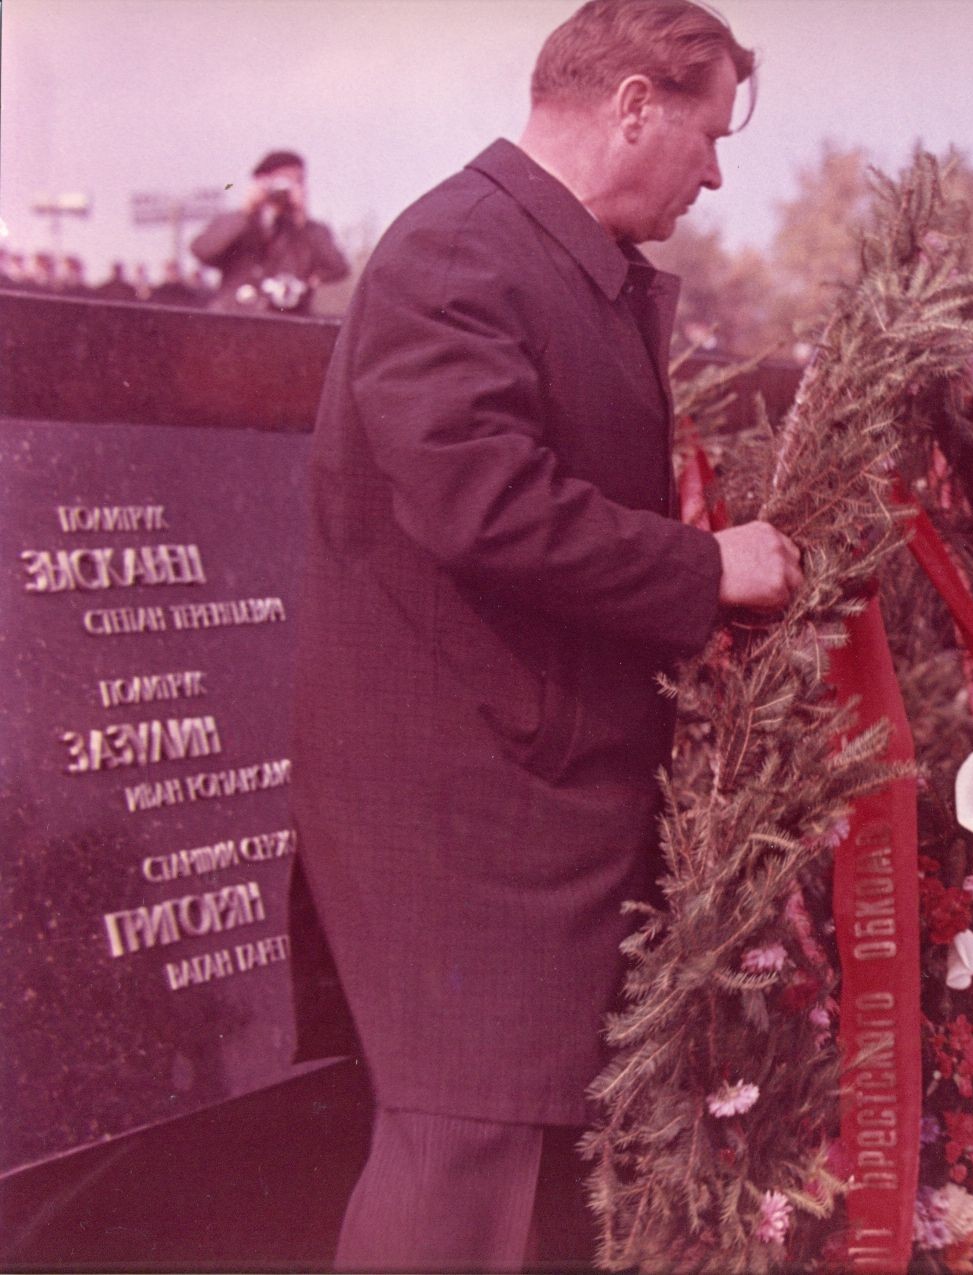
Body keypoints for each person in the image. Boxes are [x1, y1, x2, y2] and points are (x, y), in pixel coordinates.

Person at [288, 1, 800, 1269]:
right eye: (707, 131)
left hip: (520, 788)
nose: (718, 169)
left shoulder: (534, 253)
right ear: (632, 104)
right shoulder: (457, 253)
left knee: (502, 1160)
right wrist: (704, 569)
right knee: (463, 1159)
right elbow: (485, 502)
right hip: (464, 812)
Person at [190, 149, 349, 314]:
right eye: (281, 181)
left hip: (287, 320)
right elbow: (202, 250)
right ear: (261, 181)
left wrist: (302, 220)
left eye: (297, 181)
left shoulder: (308, 230)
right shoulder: (237, 222)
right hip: (235, 317)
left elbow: (338, 267)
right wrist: (247, 211)